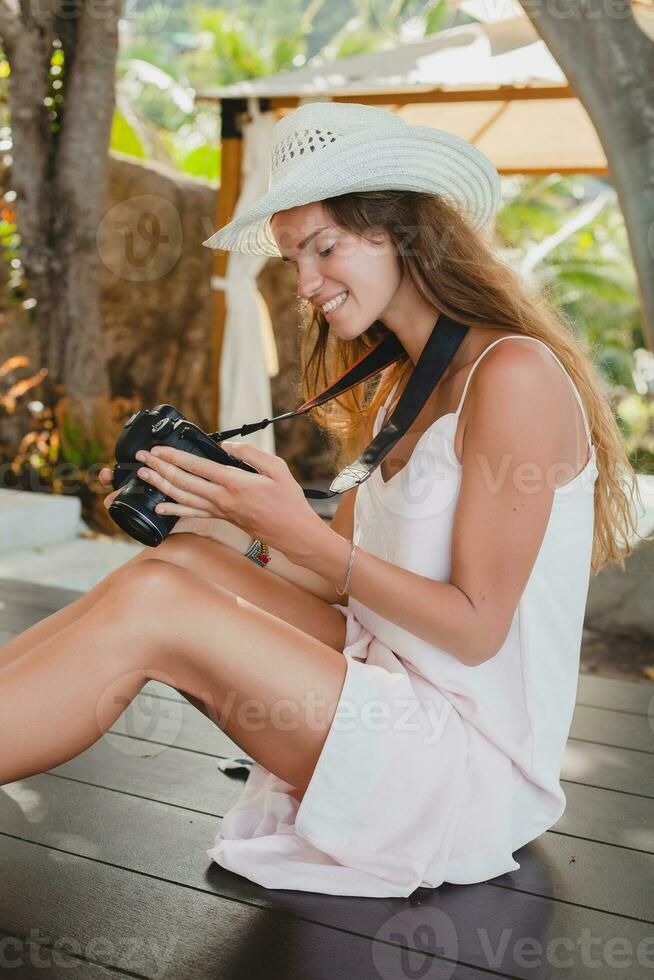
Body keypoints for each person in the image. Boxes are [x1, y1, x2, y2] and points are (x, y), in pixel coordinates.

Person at [0, 102, 646, 898]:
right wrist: (233, 523)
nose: (305, 285)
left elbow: (477, 630)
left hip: (464, 764)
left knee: (159, 602)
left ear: (402, 231)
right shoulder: (397, 388)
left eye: (323, 247)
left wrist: (297, 536)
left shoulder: (512, 376)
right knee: (177, 564)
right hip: (381, 686)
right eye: (292, 259)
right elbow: (340, 577)